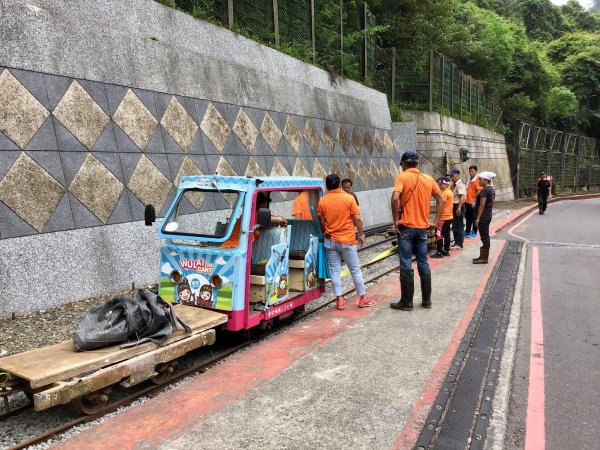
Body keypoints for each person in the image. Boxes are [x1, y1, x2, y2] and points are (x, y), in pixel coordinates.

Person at [390, 150, 445, 310]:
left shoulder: (403, 176)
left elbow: (394, 198)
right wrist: (435, 222)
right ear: (418, 164)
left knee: (406, 263)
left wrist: (395, 220)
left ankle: (407, 302)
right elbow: (440, 199)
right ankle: (427, 301)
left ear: (404, 164)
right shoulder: (428, 179)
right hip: (422, 229)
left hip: (406, 227)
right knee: (423, 262)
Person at [317, 174, 374, 310]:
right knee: (354, 270)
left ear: (327, 186)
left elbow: (322, 222)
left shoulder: (322, 201)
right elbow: (357, 219)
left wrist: (328, 232)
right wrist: (361, 235)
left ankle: (340, 300)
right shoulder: (349, 198)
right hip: (347, 240)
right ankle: (363, 298)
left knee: (335, 271)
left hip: (330, 241)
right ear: (339, 184)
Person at [221, 192, 286, 248]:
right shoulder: (255, 215)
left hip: (233, 247)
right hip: (233, 247)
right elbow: (279, 219)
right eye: (265, 203)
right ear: (262, 204)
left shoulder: (250, 214)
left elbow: (270, 218)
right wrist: (282, 220)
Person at [473, 172, 496, 264]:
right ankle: (482, 256)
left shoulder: (485, 190)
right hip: (487, 214)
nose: (479, 181)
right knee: (484, 235)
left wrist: (478, 218)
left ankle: (484, 258)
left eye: (480, 179)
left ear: (486, 180)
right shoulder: (491, 189)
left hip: (483, 216)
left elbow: (481, 205)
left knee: (484, 236)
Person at [432, 177, 453, 258]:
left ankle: (439, 252)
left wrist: (437, 218)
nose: (439, 186)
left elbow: (441, 205)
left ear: (445, 184)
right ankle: (446, 250)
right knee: (447, 234)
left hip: (443, 217)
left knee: (438, 234)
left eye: (440, 184)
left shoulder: (444, 193)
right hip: (449, 216)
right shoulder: (450, 192)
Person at [448, 168, 466, 249]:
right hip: (454, 206)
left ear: (458, 175)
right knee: (455, 225)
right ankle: (456, 242)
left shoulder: (460, 184)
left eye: (453, 176)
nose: (451, 177)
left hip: (458, 206)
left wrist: (458, 208)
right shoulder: (453, 185)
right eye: (450, 176)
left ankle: (460, 243)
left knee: (459, 225)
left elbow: (462, 196)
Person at [465, 165, 482, 238]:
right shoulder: (470, 179)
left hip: (473, 202)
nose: (470, 173)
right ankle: (467, 230)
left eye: (472, 171)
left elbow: (478, 190)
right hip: (467, 201)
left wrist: (475, 201)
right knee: (468, 217)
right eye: (470, 171)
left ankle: (474, 231)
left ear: (476, 171)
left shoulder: (477, 179)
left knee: (474, 217)